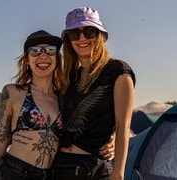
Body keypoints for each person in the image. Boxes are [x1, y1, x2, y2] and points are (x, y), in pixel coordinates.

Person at [52, 7, 136, 180]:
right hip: (58, 167)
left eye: (89, 31)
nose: (82, 38)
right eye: (75, 33)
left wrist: (118, 174)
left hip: (92, 169)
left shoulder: (118, 71)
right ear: (68, 40)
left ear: (99, 35)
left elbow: (123, 127)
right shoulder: (68, 78)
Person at [0, 30, 64, 180]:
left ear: (57, 58)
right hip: (13, 172)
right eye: (35, 51)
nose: (43, 56)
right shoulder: (13, 92)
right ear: (27, 59)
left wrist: (111, 141)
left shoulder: (65, 98)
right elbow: (0, 144)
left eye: (50, 50)